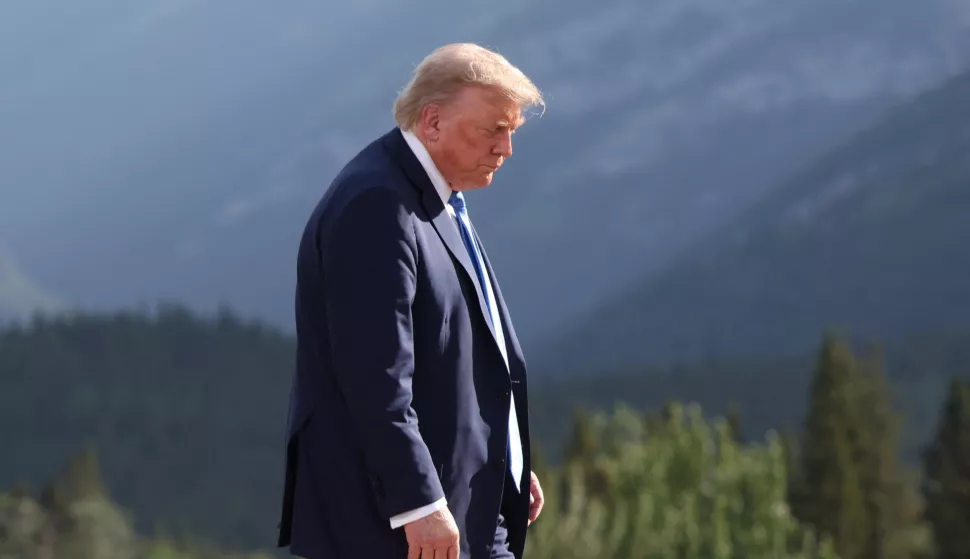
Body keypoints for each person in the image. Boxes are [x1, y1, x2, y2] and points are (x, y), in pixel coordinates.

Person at [276, 43, 546, 559]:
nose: (506, 147)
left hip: (461, 506)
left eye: (513, 130)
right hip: (389, 530)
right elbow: (376, 378)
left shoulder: (433, 196)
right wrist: (418, 503)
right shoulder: (377, 205)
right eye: (493, 128)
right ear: (432, 121)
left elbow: (452, 354)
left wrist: (502, 456)